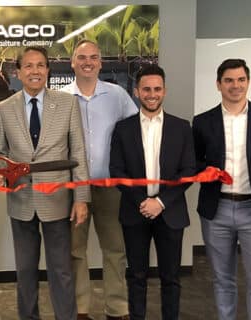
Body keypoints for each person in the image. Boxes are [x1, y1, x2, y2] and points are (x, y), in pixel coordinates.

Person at [0, 46, 90, 320]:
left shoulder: (68, 103)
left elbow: (78, 152)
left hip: (57, 200)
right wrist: (0, 171)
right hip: (21, 200)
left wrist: (82, 198)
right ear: (18, 72)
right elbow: (1, 153)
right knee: (25, 271)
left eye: (40, 65)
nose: (35, 71)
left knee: (61, 270)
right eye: (29, 66)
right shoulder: (4, 107)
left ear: (47, 70)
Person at [192, 59, 251, 320]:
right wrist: (207, 170)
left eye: (241, 80)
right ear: (218, 84)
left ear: (248, 82)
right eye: (229, 80)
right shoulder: (202, 122)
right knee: (223, 279)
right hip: (217, 210)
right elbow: (193, 162)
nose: (236, 86)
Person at [109, 64, 195, 320]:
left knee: (171, 278)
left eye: (157, 89)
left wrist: (160, 201)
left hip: (171, 212)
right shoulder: (123, 128)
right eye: (146, 89)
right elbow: (117, 171)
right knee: (136, 276)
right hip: (136, 212)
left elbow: (188, 170)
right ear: (137, 92)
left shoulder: (182, 127)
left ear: (164, 91)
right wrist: (144, 202)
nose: (152, 94)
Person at [61, 39, 137, 320]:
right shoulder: (61, 98)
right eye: (82, 57)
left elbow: (134, 134)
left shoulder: (117, 96)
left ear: (101, 63)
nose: (88, 62)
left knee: (115, 249)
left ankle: (117, 309)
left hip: (110, 188)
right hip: (74, 189)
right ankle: (80, 309)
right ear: (72, 62)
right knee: (74, 251)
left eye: (93, 57)